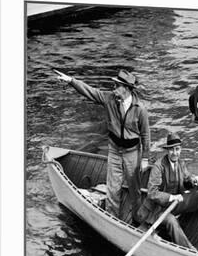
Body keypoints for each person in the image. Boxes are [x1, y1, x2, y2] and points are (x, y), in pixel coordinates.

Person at [57, 69, 150, 222]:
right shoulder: (109, 99)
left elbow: (146, 135)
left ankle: (137, 220)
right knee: (113, 190)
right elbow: (90, 92)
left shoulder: (140, 109)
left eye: (117, 85)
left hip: (132, 152)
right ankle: (112, 220)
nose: (114, 88)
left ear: (126, 89)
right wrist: (71, 81)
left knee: (135, 190)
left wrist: (145, 158)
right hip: (114, 150)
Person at [137, 132, 198, 249]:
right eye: (172, 150)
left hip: (175, 204)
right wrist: (172, 197)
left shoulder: (181, 163)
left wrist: (192, 180)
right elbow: (152, 193)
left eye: (177, 149)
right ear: (167, 150)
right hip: (158, 209)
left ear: (180, 149)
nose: (175, 153)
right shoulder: (158, 166)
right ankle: (190, 250)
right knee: (171, 222)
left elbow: (186, 179)